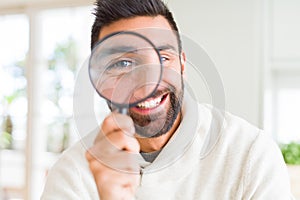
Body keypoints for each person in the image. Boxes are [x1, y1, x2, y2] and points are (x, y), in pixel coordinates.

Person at [41, 0, 293, 199]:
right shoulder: (72, 174)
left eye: (163, 58)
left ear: (182, 64)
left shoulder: (250, 154)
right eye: (124, 63)